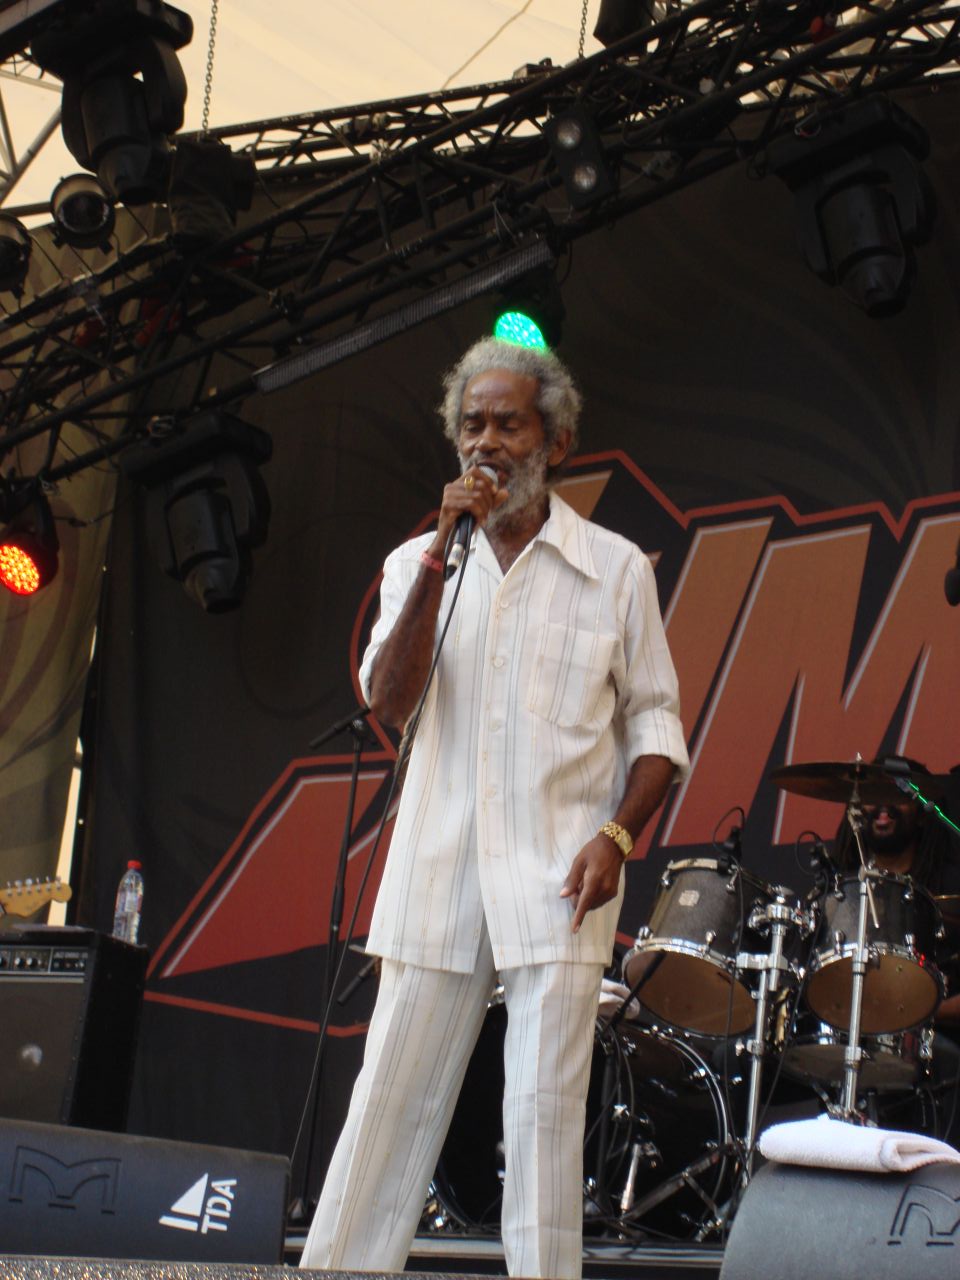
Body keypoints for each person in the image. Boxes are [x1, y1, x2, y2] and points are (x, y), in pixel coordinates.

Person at [299, 337, 689, 1277]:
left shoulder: (615, 569)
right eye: (472, 425)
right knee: (386, 1109)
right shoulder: (417, 562)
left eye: (508, 424)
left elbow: (657, 728)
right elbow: (388, 700)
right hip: (437, 873)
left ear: (555, 441)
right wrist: (442, 550)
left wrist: (617, 835)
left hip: (560, 879)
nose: (486, 444)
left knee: (545, 1125)